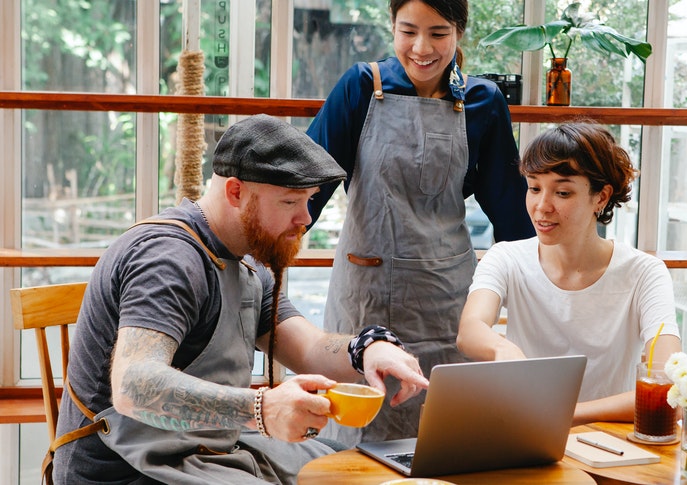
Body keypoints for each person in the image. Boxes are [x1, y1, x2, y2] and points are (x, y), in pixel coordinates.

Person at [51, 114, 429, 485]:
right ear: (235, 192)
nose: (305, 218)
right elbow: (134, 386)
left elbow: (309, 346)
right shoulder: (168, 259)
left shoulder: (247, 259)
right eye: (289, 202)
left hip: (206, 452)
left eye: (309, 201)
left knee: (361, 471)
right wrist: (262, 409)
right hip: (124, 471)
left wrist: (368, 349)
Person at [305, 0, 533, 446]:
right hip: (365, 299)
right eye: (408, 31)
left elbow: (511, 213)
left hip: (446, 300)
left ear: (459, 32)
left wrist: (551, 282)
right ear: (391, 27)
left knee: (445, 437)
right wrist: (260, 252)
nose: (421, 47)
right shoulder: (361, 87)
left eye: (438, 33)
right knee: (357, 438)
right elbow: (308, 186)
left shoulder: (483, 102)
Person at [456, 123, 682, 426]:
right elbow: (470, 329)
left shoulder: (644, 273)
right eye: (534, 188)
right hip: (528, 433)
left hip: (613, 440)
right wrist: (501, 347)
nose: (541, 206)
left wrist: (563, 414)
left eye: (562, 192)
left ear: (600, 197)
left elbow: (667, 386)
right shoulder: (507, 258)